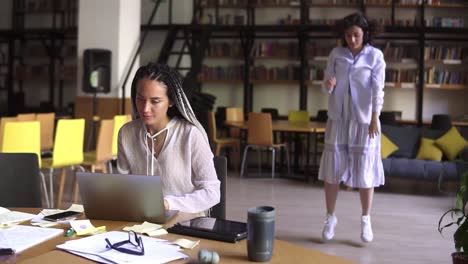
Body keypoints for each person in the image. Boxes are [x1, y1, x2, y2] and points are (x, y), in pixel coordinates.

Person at [117, 62, 220, 214]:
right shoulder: (126, 133)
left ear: (171, 101)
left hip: (186, 223)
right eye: (140, 99)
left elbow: (212, 193)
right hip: (142, 220)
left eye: (155, 101)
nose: (145, 108)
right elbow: (123, 186)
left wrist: (167, 204)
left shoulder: (190, 135)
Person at [318, 12, 385, 243]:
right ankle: (330, 217)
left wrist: (375, 117)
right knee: (332, 171)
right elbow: (325, 85)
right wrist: (328, 84)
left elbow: (378, 89)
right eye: (348, 35)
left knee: (366, 171)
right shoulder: (336, 54)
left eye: (356, 35)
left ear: (365, 34)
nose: (352, 40)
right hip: (338, 119)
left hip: (365, 121)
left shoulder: (375, 56)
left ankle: (366, 219)